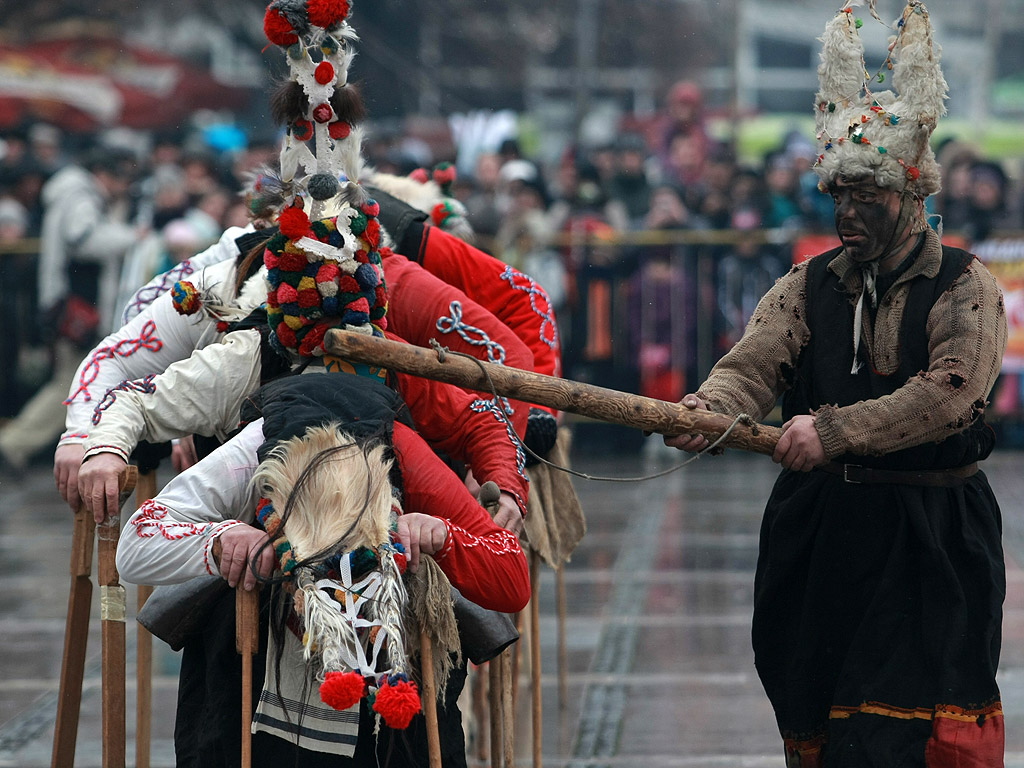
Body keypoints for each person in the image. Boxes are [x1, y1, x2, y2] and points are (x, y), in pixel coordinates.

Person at [664, 4, 1007, 765]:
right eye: (838, 196)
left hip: (931, 538)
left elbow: (952, 391)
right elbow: (753, 363)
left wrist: (836, 431)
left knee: (906, 737)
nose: (848, 213)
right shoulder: (809, 283)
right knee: (825, 725)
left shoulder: (966, 286)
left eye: (868, 197)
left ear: (911, 192)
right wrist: (709, 411)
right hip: (823, 535)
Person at [115, 372, 530, 766]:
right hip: (258, 649)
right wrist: (219, 540)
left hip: (394, 643)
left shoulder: (404, 450)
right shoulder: (252, 448)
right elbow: (134, 544)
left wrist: (442, 532)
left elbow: (511, 578)